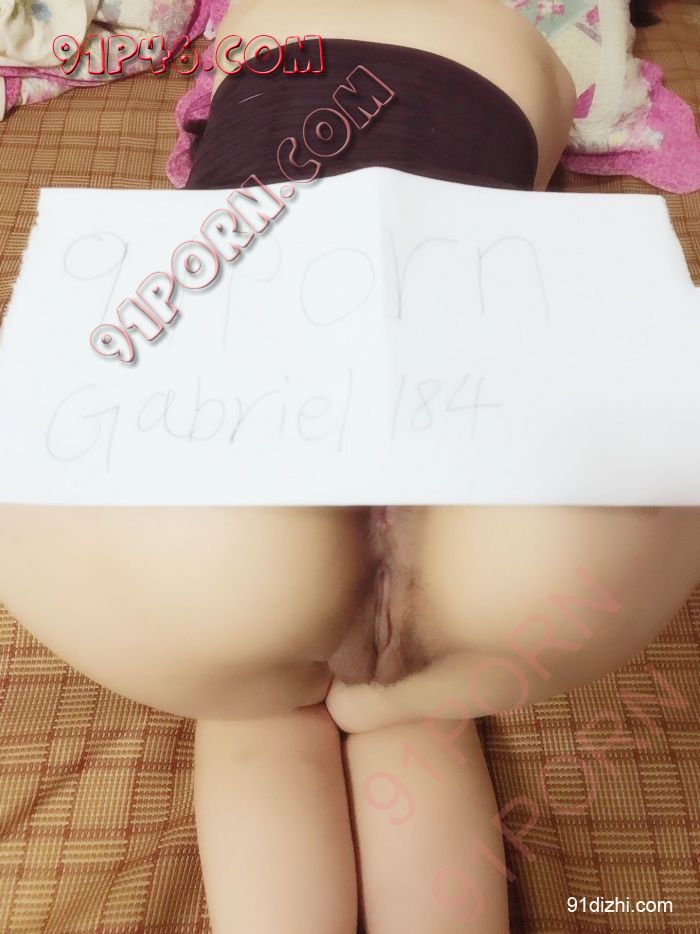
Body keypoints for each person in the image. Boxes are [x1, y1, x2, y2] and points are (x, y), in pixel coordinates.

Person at [1, 1, 698, 932]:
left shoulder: (241, 25)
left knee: (254, 720)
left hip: (204, 505)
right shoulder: (533, 42)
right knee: (412, 714)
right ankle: (398, 693)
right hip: (533, 529)